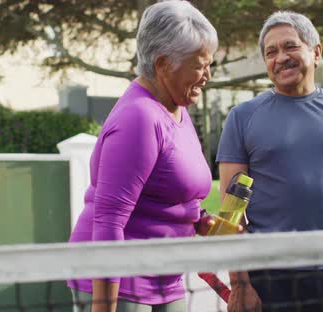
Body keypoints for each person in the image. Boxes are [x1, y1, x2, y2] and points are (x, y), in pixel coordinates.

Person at [216, 11, 323, 312]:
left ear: (316, 52)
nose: (281, 57)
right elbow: (232, 211)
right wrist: (240, 283)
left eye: (290, 46)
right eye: (271, 52)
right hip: (271, 278)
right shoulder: (241, 119)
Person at [66, 1, 219, 311]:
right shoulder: (138, 117)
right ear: (163, 65)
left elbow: (169, 190)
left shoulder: (177, 107)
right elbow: (108, 222)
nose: (208, 75)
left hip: (167, 278)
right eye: (200, 65)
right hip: (121, 283)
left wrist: (201, 221)